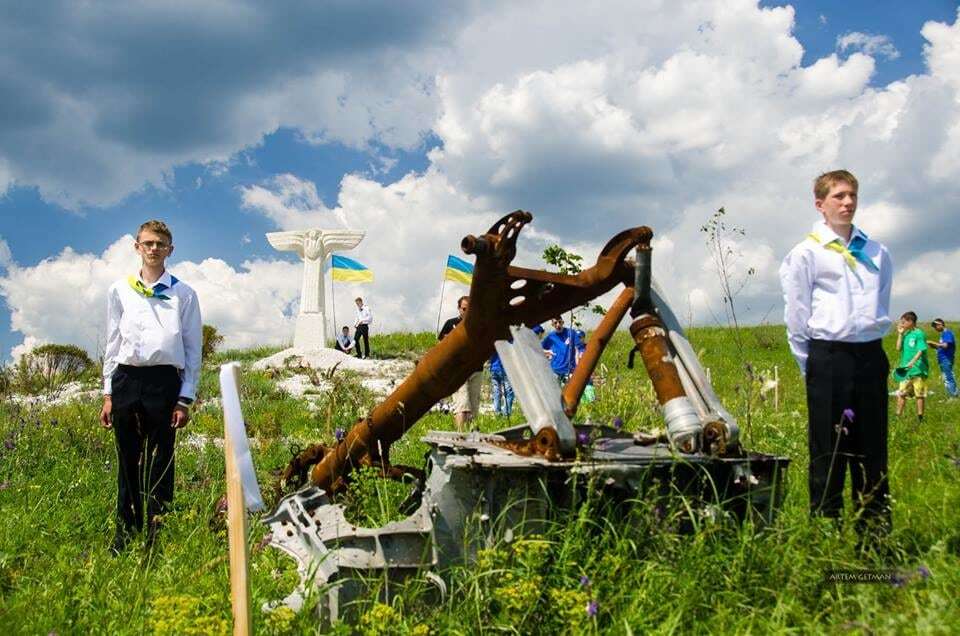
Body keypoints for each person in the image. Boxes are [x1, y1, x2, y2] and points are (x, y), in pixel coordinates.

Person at [779, 169, 893, 539]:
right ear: (820, 204)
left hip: (870, 356)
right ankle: (826, 532)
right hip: (828, 357)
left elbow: (882, 299)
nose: (847, 203)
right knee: (829, 449)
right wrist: (808, 364)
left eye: (852, 196)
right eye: (839, 197)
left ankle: (873, 534)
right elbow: (796, 313)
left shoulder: (877, 251)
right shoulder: (806, 253)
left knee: (872, 448)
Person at [100, 220, 202, 554]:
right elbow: (113, 342)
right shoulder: (120, 290)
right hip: (127, 379)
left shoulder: (184, 294)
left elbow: (192, 349)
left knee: (161, 459)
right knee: (127, 459)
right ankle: (125, 533)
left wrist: (185, 398)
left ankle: (157, 534)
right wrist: (108, 392)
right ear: (137, 247)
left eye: (160, 244)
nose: (154, 249)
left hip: (164, 382)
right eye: (148, 243)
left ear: (170, 250)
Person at [439, 295, 482, 430]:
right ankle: (460, 434)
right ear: (459, 309)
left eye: (469, 309)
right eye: (464, 309)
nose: (466, 311)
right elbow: (440, 344)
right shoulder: (450, 324)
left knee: (474, 407)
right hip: (458, 369)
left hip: (476, 369)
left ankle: (470, 436)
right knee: (462, 405)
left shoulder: (479, 324)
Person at [894, 311, 929, 421]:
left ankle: (920, 418)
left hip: (918, 370)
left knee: (919, 395)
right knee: (901, 393)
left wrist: (912, 362)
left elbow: (921, 350)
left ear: (911, 322)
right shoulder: (906, 334)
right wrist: (900, 334)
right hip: (905, 370)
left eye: (904, 322)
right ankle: (898, 416)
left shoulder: (919, 334)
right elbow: (898, 348)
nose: (902, 324)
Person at [541, 316, 585, 384]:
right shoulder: (550, 337)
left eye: (559, 322)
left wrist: (581, 355)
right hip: (555, 370)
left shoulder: (571, 333)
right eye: (555, 323)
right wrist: (548, 351)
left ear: (563, 322)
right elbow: (538, 348)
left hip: (569, 371)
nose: (558, 324)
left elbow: (580, 347)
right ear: (552, 325)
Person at [927, 318, 957, 398]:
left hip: (946, 359)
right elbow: (942, 347)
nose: (935, 328)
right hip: (943, 359)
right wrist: (934, 346)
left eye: (935, 326)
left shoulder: (947, 333)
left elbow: (945, 345)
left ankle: (953, 396)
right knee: (945, 378)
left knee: (948, 377)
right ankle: (952, 395)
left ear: (940, 324)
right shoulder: (943, 335)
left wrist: (933, 342)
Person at [489, 351, 514, 417]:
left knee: (496, 392)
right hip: (505, 368)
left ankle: (497, 413)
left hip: (494, 368)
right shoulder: (509, 341)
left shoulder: (491, 341)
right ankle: (506, 414)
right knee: (509, 392)